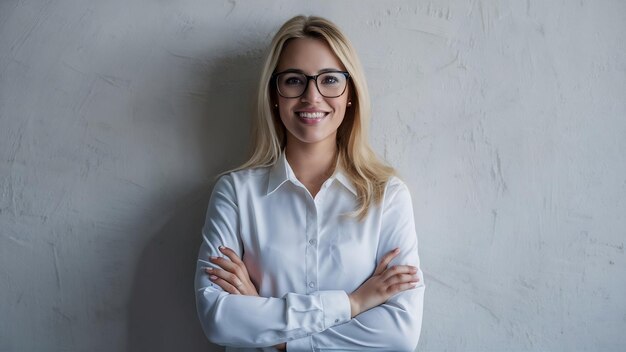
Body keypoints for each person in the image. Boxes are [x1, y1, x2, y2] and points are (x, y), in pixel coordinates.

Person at [194, 15, 425, 352]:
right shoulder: (235, 193)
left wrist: (278, 338)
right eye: (293, 80)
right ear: (274, 93)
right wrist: (353, 304)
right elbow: (217, 318)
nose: (311, 96)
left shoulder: (387, 197)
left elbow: (399, 334)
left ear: (350, 94)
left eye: (330, 79)